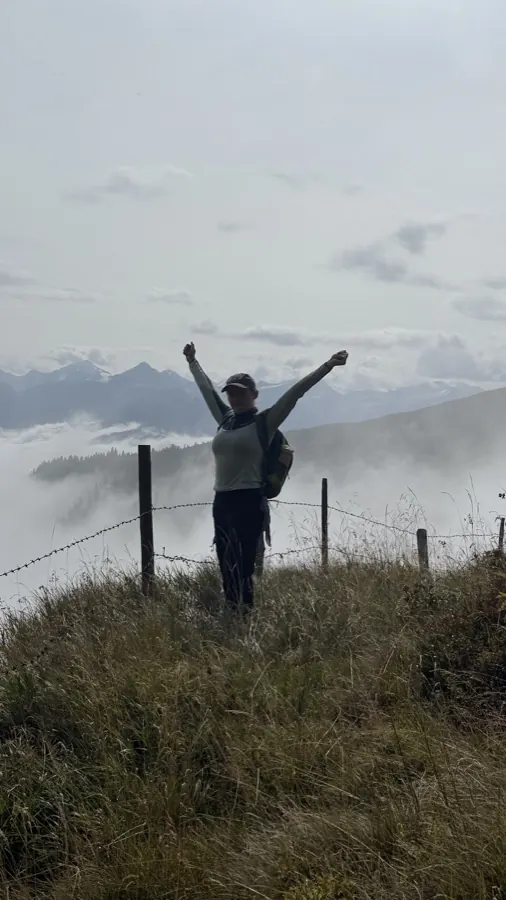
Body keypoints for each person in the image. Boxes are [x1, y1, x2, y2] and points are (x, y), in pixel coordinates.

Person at [183, 341, 348, 613]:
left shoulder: (265, 422)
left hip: (249, 499)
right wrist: (192, 361)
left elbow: (296, 393)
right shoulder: (225, 419)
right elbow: (206, 389)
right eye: (231, 394)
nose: (235, 398)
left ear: (254, 395)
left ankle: (245, 614)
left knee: (244, 563)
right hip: (221, 500)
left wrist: (328, 366)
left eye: (240, 393)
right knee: (225, 561)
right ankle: (231, 610)